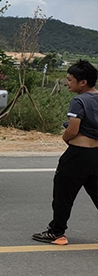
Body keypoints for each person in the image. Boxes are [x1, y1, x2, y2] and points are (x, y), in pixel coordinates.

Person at [32, 60, 98, 245]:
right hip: (95, 154)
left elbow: (73, 129)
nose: (67, 82)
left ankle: (57, 232)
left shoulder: (78, 101)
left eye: (70, 79)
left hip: (77, 155)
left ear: (82, 82)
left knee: (63, 194)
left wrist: (65, 138)